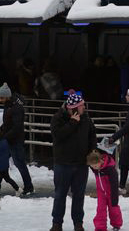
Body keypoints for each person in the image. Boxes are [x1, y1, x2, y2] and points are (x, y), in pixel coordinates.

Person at [50, 91, 97, 231]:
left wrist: (93, 152)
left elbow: (92, 137)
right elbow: (58, 136)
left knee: (79, 196)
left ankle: (78, 223)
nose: (84, 108)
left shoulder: (86, 119)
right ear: (73, 108)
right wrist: (72, 123)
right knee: (60, 195)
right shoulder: (58, 118)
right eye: (81, 106)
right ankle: (57, 224)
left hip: (81, 164)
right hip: (63, 164)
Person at [0, 82, 34, 197]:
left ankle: (29, 187)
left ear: (8, 96)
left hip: (15, 141)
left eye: (2, 98)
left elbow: (17, 127)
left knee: (19, 164)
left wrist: (3, 137)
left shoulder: (16, 108)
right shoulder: (8, 105)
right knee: (1, 163)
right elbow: (7, 124)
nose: (0, 100)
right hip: (8, 139)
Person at [88, 140, 123, 231]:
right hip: (101, 193)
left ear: (101, 160)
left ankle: (116, 224)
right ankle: (100, 227)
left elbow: (115, 185)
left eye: (96, 166)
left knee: (113, 209)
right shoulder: (96, 167)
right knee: (100, 210)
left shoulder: (110, 170)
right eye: (92, 167)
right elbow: (95, 152)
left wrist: (115, 198)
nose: (94, 168)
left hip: (111, 193)